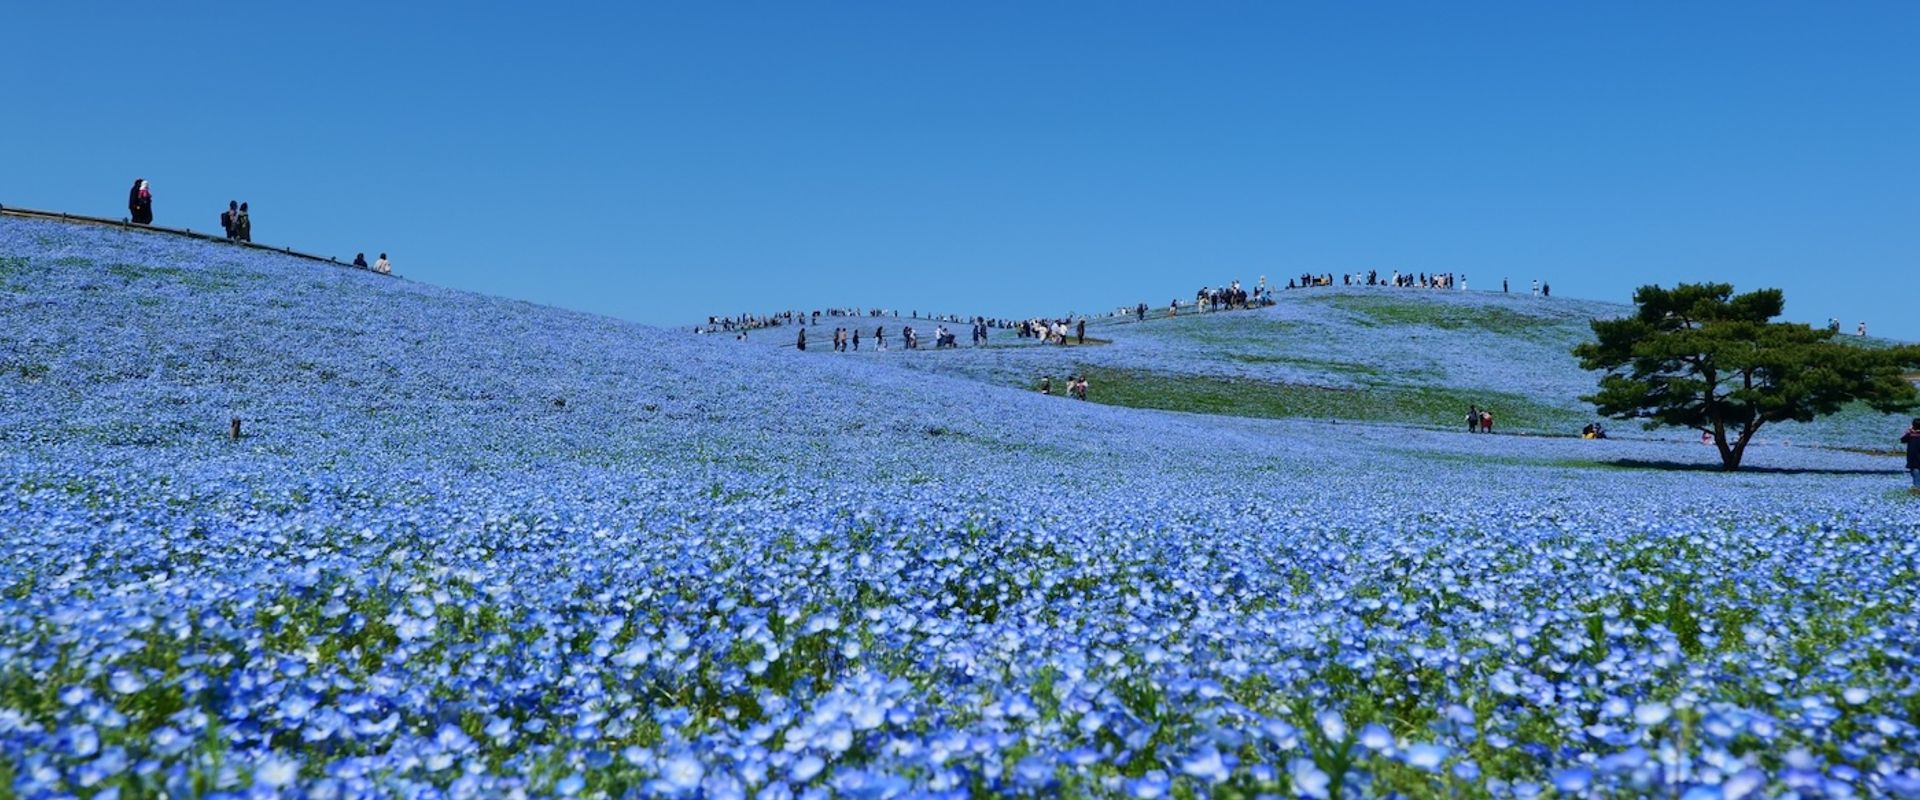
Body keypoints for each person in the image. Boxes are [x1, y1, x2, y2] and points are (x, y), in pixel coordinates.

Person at [1903, 418, 1920, 495]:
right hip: (1915, 457)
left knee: (1915, 471)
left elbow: (1903, 440)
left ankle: (1917, 487)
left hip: (1912, 456)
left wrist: (1909, 431)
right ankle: (1917, 486)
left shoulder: (1910, 435)